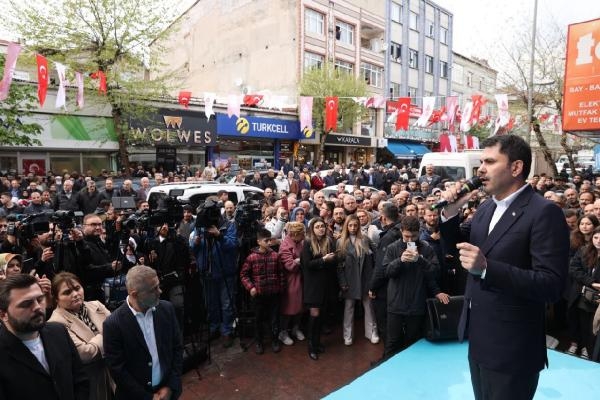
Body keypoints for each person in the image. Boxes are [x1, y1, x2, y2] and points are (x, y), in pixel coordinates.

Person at [439, 135, 569, 400]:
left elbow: (551, 285)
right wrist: (450, 212)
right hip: (479, 338)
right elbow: (461, 250)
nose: (481, 170)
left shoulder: (543, 212)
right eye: (480, 162)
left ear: (516, 167)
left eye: (489, 161)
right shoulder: (487, 208)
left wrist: (488, 269)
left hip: (513, 348)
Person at [0, 274, 89, 399]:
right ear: (3, 314)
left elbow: (80, 381)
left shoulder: (58, 332)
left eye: (40, 299)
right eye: (26, 304)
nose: (37, 307)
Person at [103, 265, 183, 400]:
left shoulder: (166, 309)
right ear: (135, 294)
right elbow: (118, 371)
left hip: (167, 393)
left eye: (158, 285)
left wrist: (170, 386)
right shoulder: (113, 325)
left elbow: (177, 348)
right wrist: (148, 397)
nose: (160, 291)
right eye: (154, 289)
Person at [382, 215, 449, 359]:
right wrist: (399, 261)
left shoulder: (426, 248)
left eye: (413, 236)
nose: (410, 240)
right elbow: (386, 272)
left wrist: (420, 260)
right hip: (396, 303)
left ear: (419, 232)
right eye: (406, 236)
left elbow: (435, 273)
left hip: (417, 303)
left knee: (413, 342)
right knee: (392, 342)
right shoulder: (392, 248)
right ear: (401, 231)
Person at [49, 272, 114, 400]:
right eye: (67, 292)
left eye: (77, 288)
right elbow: (84, 354)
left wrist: (98, 341)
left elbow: (119, 333)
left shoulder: (96, 305)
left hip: (115, 373)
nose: (75, 294)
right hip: (90, 383)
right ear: (56, 298)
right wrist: (106, 333)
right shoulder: (55, 323)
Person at [239, 228, 286, 354]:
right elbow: (244, 275)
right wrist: (251, 287)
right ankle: (259, 342)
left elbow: (281, 274)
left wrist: (280, 289)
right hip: (259, 295)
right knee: (258, 319)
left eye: (270, 240)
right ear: (259, 241)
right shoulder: (251, 257)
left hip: (274, 293)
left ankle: (275, 340)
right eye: (266, 240)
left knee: (274, 318)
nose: (269, 243)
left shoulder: (276, 256)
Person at [336, 214, 378, 346]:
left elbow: (376, 257)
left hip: (365, 278)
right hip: (349, 280)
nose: (353, 228)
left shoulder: (365, 239)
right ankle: (347, 335)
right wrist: (342, 282)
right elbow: (338, 266)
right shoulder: (340, 242)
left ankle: (372, 332)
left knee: (369, 307)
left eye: (355, 225)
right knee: (348, 308)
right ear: (346, 226)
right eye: (350, 225)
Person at [300, 217, 337, 360]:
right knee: (314, 315)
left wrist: (333, 257)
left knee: (321, 315)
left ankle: (317, 342)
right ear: (312, 229)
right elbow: (307, 264)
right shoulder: (308, 243)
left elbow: (333, 263)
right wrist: (323, 260)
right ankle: (311, 346)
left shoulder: (329, 241)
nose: (321, 229)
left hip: (326, 284)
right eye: (317, 227)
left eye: (322, 226)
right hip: (313, 285)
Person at [277, 222, 306, 346]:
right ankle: (283, 332)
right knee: (289, 307)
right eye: (302, 234)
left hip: (302, 278)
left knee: (301, 307)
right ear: (295, 234)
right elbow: (290, 265)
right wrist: (303, 260)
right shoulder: (285, 246)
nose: (304, 236)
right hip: (291, 281)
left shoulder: (300, 242)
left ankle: (296, 328)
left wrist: (299, 260)